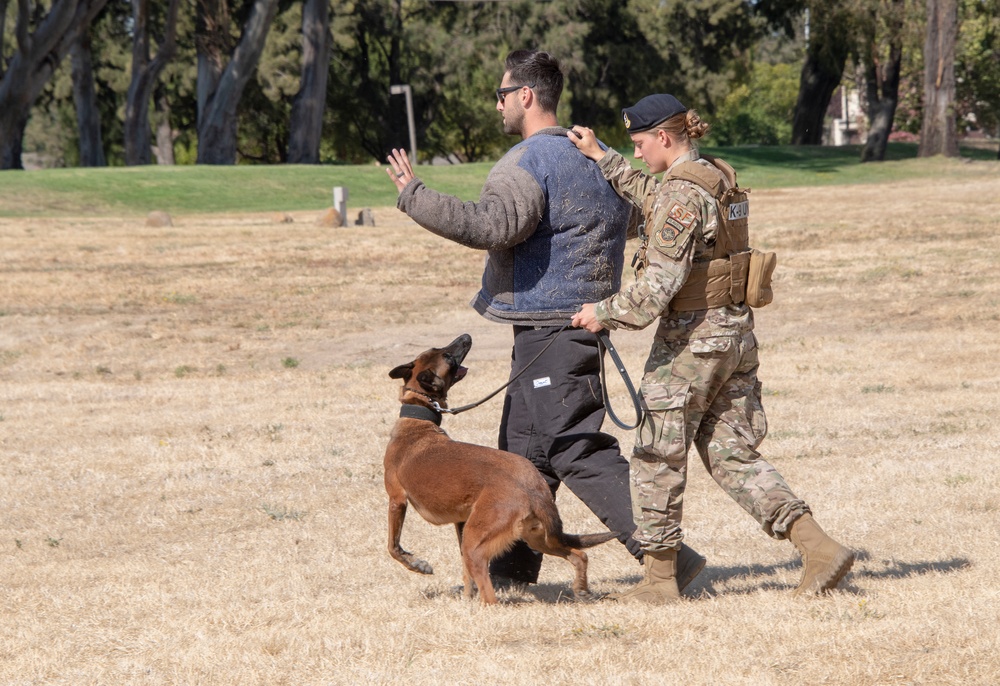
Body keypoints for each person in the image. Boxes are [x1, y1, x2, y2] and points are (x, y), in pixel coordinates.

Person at [384, 51, 706, 593]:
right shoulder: (595, 157)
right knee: (521, 450)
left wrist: (414, 196)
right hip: (573, 325)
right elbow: (631, 217)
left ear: (526, 97)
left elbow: (492, 225)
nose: (498, 103)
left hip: (554, 330)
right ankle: (508, 574)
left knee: (573, 446)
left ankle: (667, 558)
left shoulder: (526, 162)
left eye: (502, 94)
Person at [568, 93, 855, 604]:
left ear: (664, 137)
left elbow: (656, 289)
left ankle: (659, 582)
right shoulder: (712, 174)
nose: (635, 155)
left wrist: (603, 312)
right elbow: (652, 194)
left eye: (638, 144)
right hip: (733, 335)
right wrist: (601, 155)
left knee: (657, 452)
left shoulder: (682, 195)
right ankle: (819, 548)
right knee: (728, 451)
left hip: (694, 342)